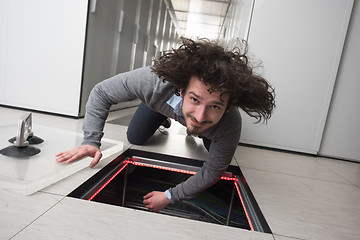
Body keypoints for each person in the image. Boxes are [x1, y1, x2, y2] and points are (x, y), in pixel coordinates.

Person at [56, 37, 275, 212]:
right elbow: (101, 92)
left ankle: (198, 131)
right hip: (159, 107)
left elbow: (212, 173)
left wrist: (170, 196)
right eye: (195, 99)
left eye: (215, 106)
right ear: (181, 90)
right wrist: (91, 140)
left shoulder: (229, 126)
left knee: (210, 150)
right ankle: (164, 117)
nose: (200, 115)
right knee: (135, 137)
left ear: (227, 108)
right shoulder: (151, 82)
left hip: (213, 131)